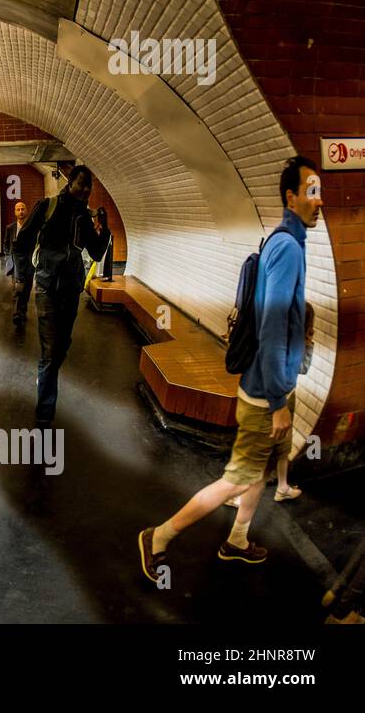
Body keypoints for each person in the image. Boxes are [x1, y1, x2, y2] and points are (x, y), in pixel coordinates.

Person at [139, 156, 322, 582]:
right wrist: (278, 401)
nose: (319, 200)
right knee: (236, 480)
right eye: (311, 191)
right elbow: (273, 326)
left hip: (270, 387)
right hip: (265, 394)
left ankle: (237, 540)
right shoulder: (288, 247)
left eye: (320, 191)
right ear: (290, 196)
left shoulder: (288, 243)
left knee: (255, 473)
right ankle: (159, 537)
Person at [11, 165, 110, 428]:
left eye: (89, 186)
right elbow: (21, 243)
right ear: (70, 184)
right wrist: (28, 273)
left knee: (62, 345)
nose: (86, 190)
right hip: (46, 288)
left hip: (71, 289)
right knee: (50, 351)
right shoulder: (47, 206)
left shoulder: (83, 218)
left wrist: (105, 229)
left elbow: (98, 253)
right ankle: (45, 414)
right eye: (82, 184)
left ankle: (47, 374)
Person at [1, 201, 31, 327]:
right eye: (18, 209)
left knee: (27, 290)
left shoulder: (31, 227)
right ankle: (17, 314)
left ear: (26, 211)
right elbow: (5, 244)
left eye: (22, 209)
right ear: (15, 212)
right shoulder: (10, 228)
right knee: (18, 289)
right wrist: (9, 257)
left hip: (29, 263)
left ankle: (23, 311)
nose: (21, 211)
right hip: (16, 264)